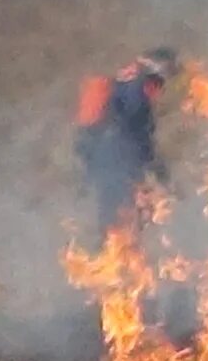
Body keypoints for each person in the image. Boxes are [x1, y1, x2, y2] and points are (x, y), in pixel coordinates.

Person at [74, 46, 179, 240]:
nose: (163, 87)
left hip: (103, 154)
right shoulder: (138, 91)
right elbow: (137, 134)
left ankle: (115, 252)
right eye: (163, 79)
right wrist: (158, 169)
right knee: (119, 215)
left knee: (116, 212)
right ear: (157, 72)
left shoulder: (125, 80)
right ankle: (110, 253)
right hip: (116, 157)